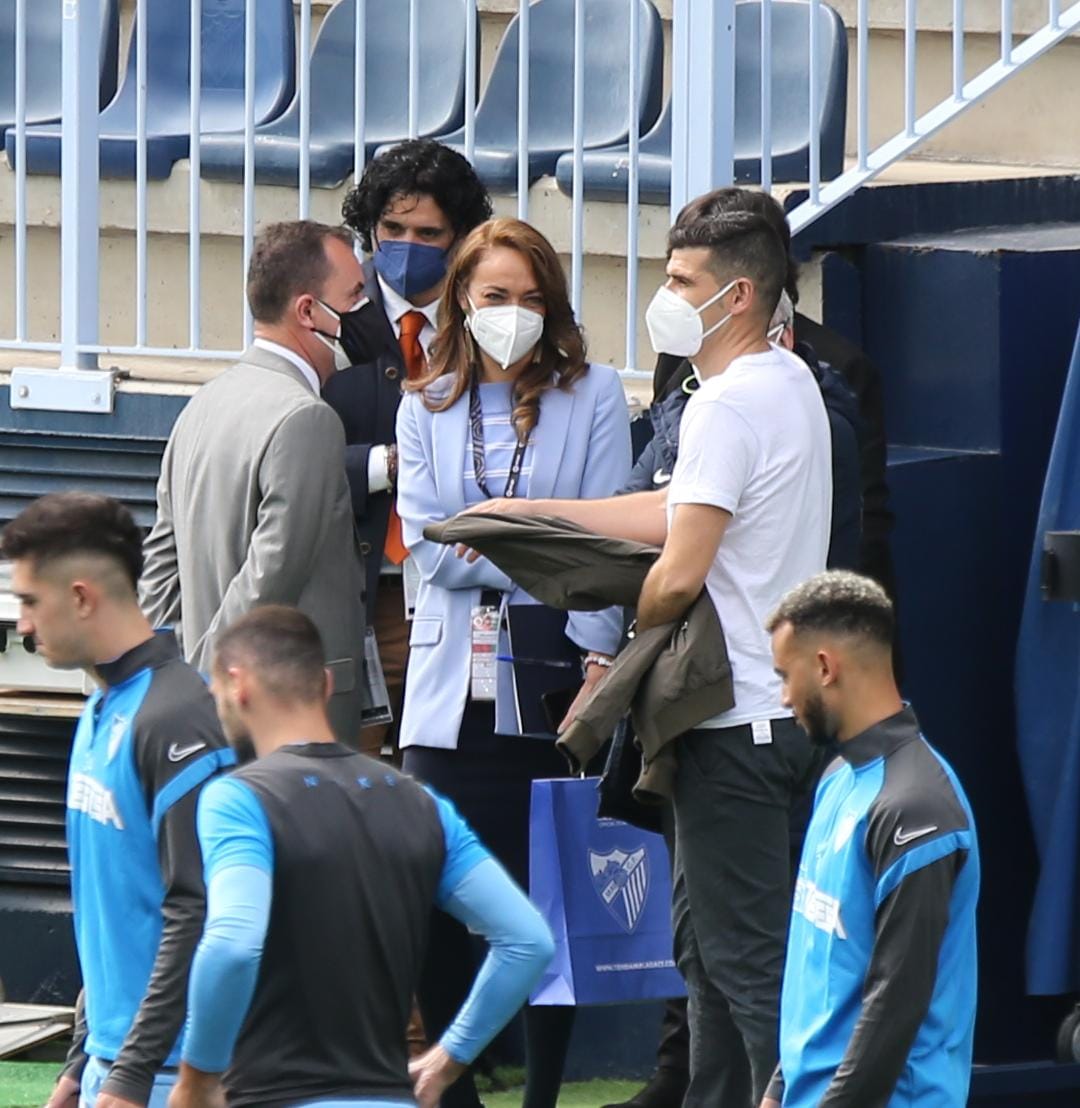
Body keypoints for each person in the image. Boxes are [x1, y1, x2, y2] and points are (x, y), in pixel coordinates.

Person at [469, 195, 833, 1107]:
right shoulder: (786, 383)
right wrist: (536, 514)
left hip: (730, 726)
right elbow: (676, 510)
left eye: (682, 282)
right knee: (706, 959)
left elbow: (677, 571)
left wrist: (607, 612)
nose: (664, 296)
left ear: (739, 294)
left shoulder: (726, 405)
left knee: (744, 971)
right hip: (767, 719)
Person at [395, 217, 632, 1108]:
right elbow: (429, 554)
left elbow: (606, 545)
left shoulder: (597, 393)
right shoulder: (423, 403)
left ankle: (541, 1096)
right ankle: (450, 1090)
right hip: (447, 689)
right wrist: (543, 545)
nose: (514, 315)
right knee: (431, 892)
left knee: (547, 905)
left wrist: (596, 649)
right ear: (463, 297)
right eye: (497, 297)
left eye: (532, 299)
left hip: (558, 677)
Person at [164, 606, 554, 1108]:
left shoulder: (237, 799)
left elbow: (233, 946)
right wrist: (449, 1058)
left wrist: (197, 1080)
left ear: (237, 684)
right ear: (325, 685)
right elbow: (528, 941)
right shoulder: (422, 803)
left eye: (214, 692)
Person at [1, 493, 234, 1108]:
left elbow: (198, 907)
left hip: (174, 1076)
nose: (21, 623)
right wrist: (82, 1061)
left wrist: (131, 1073)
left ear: (80, 597)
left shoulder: (180, 718)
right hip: (118, 1064)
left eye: (30, 602)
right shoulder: (103, 706)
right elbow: (113, 904)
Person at [140, 220, 370, 746]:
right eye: (355, 294)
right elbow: (272, 574)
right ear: (309, 311)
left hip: (224, 700)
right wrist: (206, 684)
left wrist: (163, 685)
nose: (366, 309)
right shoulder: (307, 418)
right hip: (279, 711)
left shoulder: (202, 403)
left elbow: (160, 564)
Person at [764, 571, 979, 1107]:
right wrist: (777, 1088)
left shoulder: (917, 807)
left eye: (785, 676)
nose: (785, 696)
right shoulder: (839, 776)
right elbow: (822, 965)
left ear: (824, 667)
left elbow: (895, 1005)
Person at [323, 140, 493, 758]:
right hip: (361, 594)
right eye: (392, 228)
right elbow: (287, 461)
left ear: (460, 237)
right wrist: (385, 464)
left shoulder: (495, 311)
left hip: (461, 588)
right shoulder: (332, 315)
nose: (406, 246)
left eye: (428, 232)